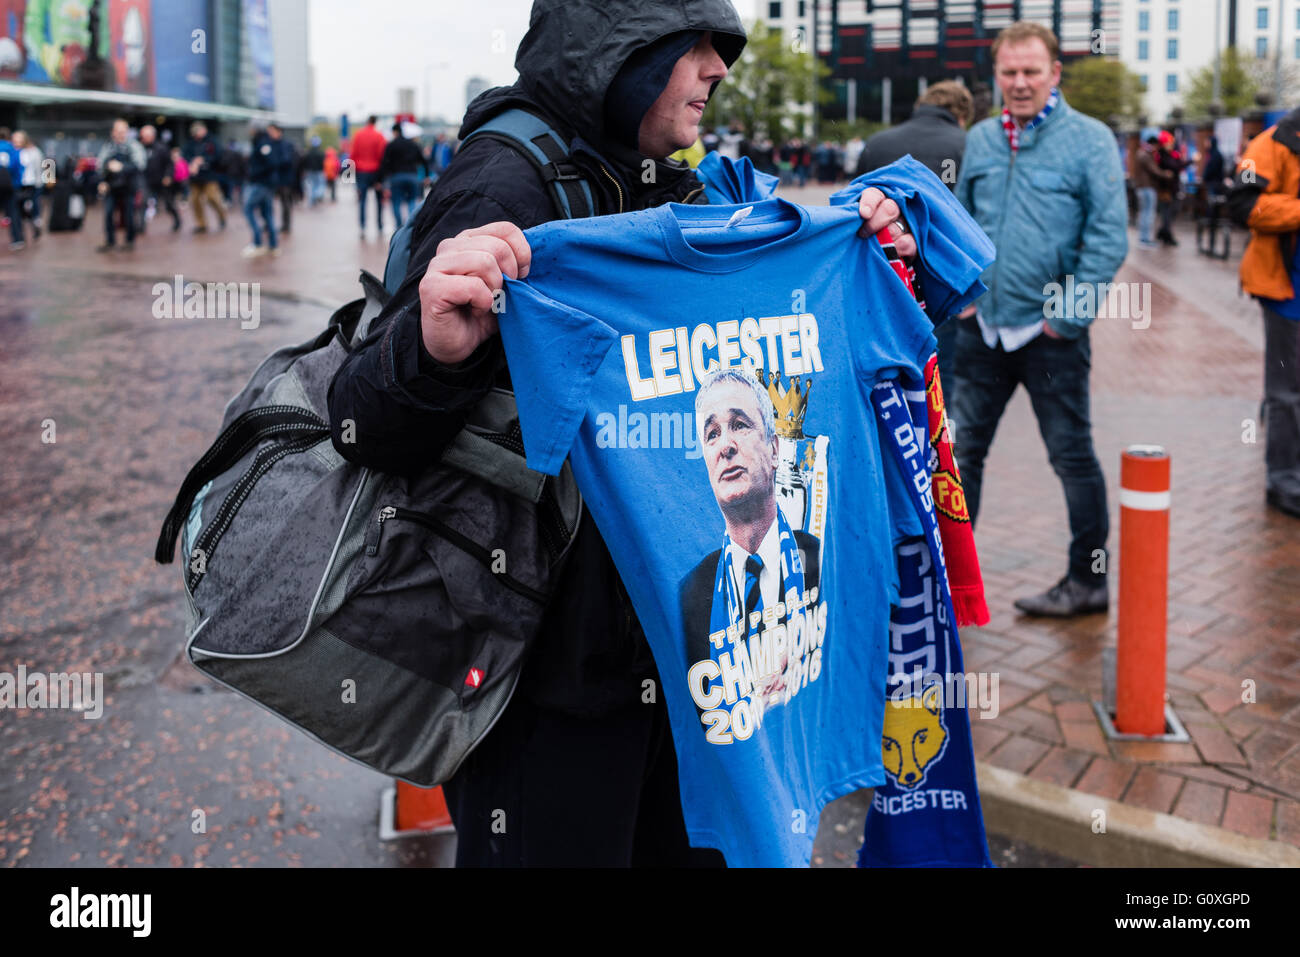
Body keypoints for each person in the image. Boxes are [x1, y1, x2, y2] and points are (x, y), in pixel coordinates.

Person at [326, 0, 914, 868]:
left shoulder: (665, 173)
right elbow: (360, 421)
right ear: (621, 51)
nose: (719, 68)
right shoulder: (506, 184)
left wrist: (851, 249)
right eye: (697, 45)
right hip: (553, 685)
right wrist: (431, 349)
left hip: (681, 666)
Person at [952, 21, 1127, 617]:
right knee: (961, 455)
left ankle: (1088, 580)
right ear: (995, 76)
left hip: (1052, 337)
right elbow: (960, 226)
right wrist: (965, 298)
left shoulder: (1091, 140)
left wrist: (1065, 319)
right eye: (1009, 72)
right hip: (984, 332)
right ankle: (951, 585)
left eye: (1031, 71)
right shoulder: (979, 138)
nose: (1020, 83)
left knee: (1071, 455)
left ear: (1055, 73)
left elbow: (1106, 240)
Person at [678, 369, 820, 695]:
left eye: (739, 426)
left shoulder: (822, 560)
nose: (725, 445)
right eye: (712, 434)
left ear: (774, 451)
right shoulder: (689, 594)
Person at [856, 80, 974, 398]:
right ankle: (936, 434)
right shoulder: (968, 144)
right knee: (939, 365)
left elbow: (854, 208)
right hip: (938, 278)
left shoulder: (878, 142)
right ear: (962, 114)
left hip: (878, 275)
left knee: (881, 365)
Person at [1227, 106, 1300, 520]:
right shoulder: (1270, 143)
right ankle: (1284, 480)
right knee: (1286, 390)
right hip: (1286, 287)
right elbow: (1242, 204)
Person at [95, 118, 146, 253]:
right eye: (118, 131)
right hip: (111, 187)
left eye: (124, 131)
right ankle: (110, 241)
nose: (121, 134)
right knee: (108, 212)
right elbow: (100, 165)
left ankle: (129, 241)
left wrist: (122, 167)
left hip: (129, 186)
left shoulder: (134, 146)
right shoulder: (108, 146)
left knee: (129, 214)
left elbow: (140, 165)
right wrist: (102, 180)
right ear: (113, 132)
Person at [242, 125, 286, 258]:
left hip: (262, 183)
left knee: (248, 209)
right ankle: (272, 245)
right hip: (266, 183)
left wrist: (256, 173)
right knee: (267, 213)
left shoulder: (263, 144)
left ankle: (258, 243)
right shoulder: (266, 143)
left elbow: (272, 162)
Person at [379, 121, 429, 228]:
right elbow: (424, 161)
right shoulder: (413, 144)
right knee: (412, 200)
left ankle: (399, 226)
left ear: (394, 132)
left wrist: (382, 179)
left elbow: (384, 163)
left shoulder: (391, 145)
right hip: (412, 176)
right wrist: (426, 176)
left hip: (397, 177)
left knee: (396, 202)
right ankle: (410, 226)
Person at [182, 121, 226, 233]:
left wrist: (203, 160)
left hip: (209, 175)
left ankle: (222, 216)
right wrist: (191, 163)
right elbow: (185, 155)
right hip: (195, 177)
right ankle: (201, 224)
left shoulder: (212, 141)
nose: (196, 134)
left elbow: (217, 155)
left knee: (212, 197)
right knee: (195, 200)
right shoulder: (191, 143)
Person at [349, 114, 387, 239]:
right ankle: (380, 225)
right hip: (376, 172)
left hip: (361, 172)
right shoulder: (379, 136)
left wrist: (350, 176)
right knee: (378, 201)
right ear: (375, 122)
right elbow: (382, 156)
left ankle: (362, 226)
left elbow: (353, 155)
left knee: (362, 200)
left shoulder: (358, 135)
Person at [1132, 136, 1172, 249]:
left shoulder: (1141, 153)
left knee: (1144, 213)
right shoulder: (1145, 155)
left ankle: (1143, 238)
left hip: (1142, 187)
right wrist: (1166, 174)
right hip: (1147, 187)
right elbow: (1154, 170)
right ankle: (1145, 239)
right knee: (1148, 214)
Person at [139, 124, 180, 233]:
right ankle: (141, 226)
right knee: (143, 202)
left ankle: (177, 220)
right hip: (147, 181)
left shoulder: (162, 148)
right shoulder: (140, 148)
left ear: (152, 136)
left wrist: (168, 176)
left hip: (161, 180)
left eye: (147, 136)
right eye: (143, 136)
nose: (144, 138)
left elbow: (169, 164)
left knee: (168, 203)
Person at [12, 130, 43, 242]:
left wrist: (45, 183)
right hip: (18, 185)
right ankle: (20, 235)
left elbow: (42, 166)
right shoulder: (14, 152)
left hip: (32, 185)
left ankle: (35, 226)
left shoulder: (34, 152)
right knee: (19, 211)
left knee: (32, 208)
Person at [0, 127, 25, 249]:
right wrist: (17, 183)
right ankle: (17, 239)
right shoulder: (12, 149)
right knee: (13, 212)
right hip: (10, 186)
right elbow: (17, 167)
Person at [302, 136, 326, 207]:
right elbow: (322, 163)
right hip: (318, 171)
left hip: (310, 171)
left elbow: (305, 162)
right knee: (319, 185)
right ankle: (316, 196)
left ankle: (312, 200)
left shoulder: (308, 153)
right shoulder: (321, 153)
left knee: (311, 186)